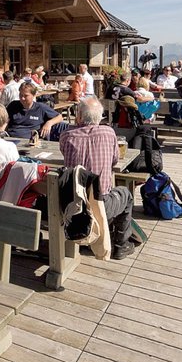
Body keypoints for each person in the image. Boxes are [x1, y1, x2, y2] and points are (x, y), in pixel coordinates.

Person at [58, 98, 136, 260]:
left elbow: (65, 155)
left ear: (78, 116)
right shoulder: (109, 133)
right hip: (100, 204)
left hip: (73, 205)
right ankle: (121, 245)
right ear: (100, 117)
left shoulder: (67, 136)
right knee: (126, 195)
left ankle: (92, 234)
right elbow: (114, 161)